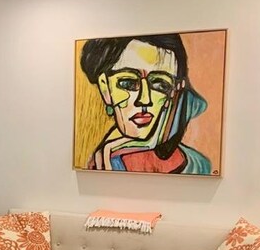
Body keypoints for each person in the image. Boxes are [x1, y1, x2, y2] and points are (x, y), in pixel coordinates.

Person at [79, 33, 211, 173]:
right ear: (105, 87)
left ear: (176, 92)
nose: (144, 99)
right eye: (128, 82)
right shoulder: (99, 162)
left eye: (160, 84)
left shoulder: (200, 165)